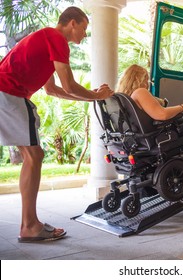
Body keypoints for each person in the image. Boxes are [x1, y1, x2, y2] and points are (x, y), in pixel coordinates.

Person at [0, 6, 114, 242]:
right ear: (72, 23)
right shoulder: (56, 38)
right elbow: (70, 86)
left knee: (32, 155)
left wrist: (90, 94)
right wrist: (97, 97)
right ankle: (30, 226)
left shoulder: (46, 41)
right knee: (35, 156)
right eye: (84, 28)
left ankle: (28, 224)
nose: (84, 34)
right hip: (9, 92)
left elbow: (53, 90)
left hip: (6, 93)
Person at [116, 64, 183, 161]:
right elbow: (162, 114)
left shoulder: (123, 97)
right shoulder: (140, 92)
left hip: (139, 140)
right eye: (146, 79)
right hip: (155, 136)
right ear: (139, 79)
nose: (147, 83)